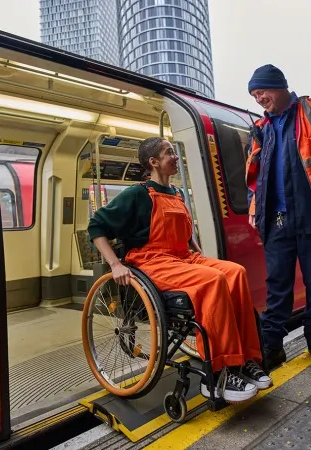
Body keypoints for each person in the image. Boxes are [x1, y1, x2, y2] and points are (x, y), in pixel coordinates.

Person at [88, 137, 272, 403]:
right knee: (213, 280)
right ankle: (218, 373)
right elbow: (97, 226)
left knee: (235, 272)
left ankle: (245, 359)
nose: (175, 157)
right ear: (153, 162)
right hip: (152, 261)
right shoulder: (137, 194)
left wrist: (200, 255)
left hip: (184, 257)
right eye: (169, 153)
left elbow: (186, 235)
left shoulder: (177, 194)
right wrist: (115, 264)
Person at [245, 64, 311, 372]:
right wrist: (255, 209)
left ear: (278, 87)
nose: (258, 99)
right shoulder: (261, 127)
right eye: (253, 95)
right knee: (277, 284)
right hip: (276, 219)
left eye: (261, 92)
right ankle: (273, 347)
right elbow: (254, 176)